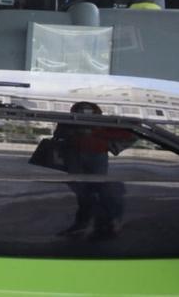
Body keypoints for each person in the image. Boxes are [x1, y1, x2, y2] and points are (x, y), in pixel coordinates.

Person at [55, 101, 134, 240]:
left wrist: (97, 132)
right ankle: (86, 224)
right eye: (82, 111)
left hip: (94, 155)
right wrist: (74, 130)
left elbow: (128, 133)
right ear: (75, 111)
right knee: (83, 192)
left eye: (89, 111)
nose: (85, 113)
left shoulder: (105, 122)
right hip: (76, 155)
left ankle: (107, 223)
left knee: (99, 190)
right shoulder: (69, 121)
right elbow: (58, 134)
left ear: (96, 112)